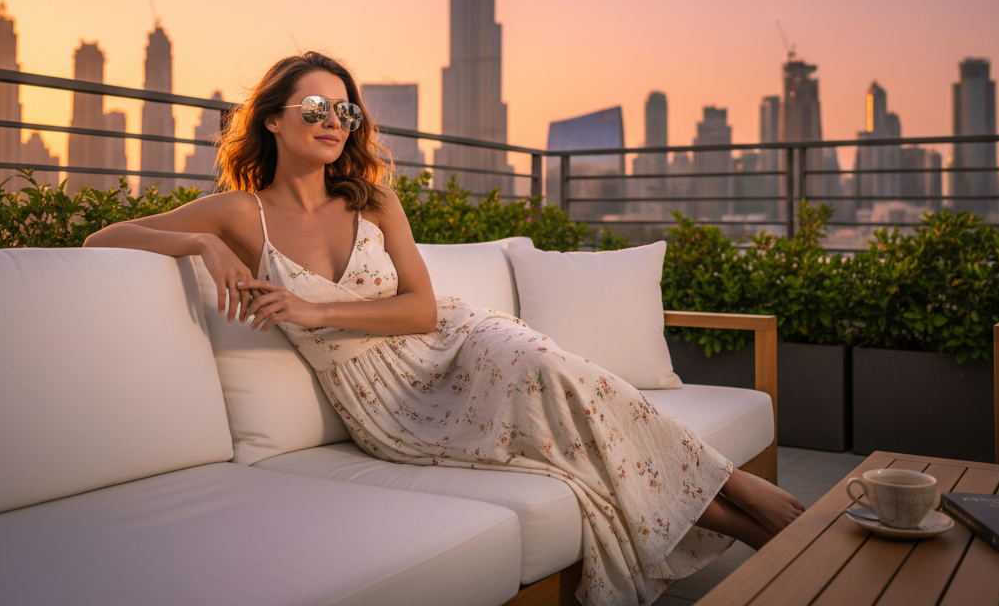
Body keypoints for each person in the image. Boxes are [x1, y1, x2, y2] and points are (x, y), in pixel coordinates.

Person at [85, 51, 803, 606]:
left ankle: (762, 519)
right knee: (573, 415)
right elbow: (101, 238)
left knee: (555, 376)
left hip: (457, 342)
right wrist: (200, 243)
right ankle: (767, 515)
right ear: (272, 119)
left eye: (346, 110)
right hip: (392, 404)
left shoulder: (372, 200)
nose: (335, 120)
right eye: (315, 106)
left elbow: (424, 309)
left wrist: (315, 311)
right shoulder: (240, 215)